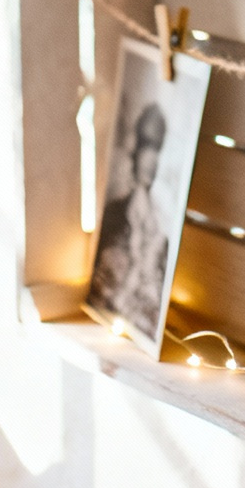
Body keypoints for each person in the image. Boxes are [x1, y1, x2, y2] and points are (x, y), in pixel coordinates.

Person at [90, 101, 172, 340]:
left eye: (156, 150)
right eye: (146, 147)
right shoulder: (114, 216)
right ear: (136, 153)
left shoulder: (158, 232)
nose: (150, 160)